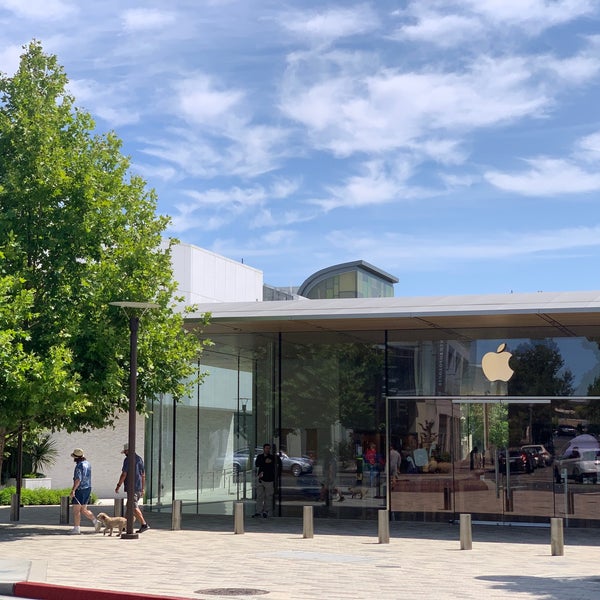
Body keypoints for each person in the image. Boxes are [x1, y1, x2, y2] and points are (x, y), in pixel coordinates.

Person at [115, 443, 149, 533]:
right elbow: (143, 475)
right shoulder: (139, 459)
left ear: (128, 450)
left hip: (132, 487)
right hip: (138, 487)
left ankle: (144, 524)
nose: (125, 453)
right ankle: (124, 525)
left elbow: (124, 474)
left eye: (125, 451)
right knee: (129, 506)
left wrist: (118, 485)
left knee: (133, 506)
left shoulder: (127, 460)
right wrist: (142, 488)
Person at [68, 448, 99, 535]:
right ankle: (95, 521)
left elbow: (78, 479)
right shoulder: (88, 464)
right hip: (88, 488)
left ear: (76, 458)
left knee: (76, 510)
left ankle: (77, 528)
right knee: (83, 509)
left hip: (80, 489)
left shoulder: (79, 466)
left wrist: (73, 490)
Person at [253, 443, 281, 518]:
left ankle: (266, 511)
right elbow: (257, 464)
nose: (267, 450)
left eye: (269, 448)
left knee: (268, 496)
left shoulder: (273, 457)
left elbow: (275, 465)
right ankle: (258, 511)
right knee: (259, 496)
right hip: (261, 479)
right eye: (266, 448)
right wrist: (265, 462)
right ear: (263, 449)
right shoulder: (260, 457)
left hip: (269, 479)